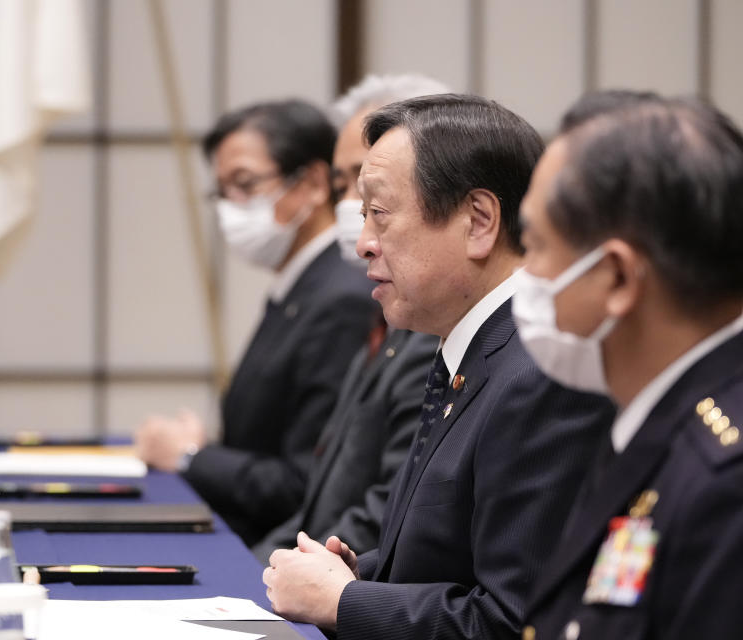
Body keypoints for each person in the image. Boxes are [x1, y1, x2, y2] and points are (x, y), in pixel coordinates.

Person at [262, 94, 615, 638]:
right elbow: (450, 558)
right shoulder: (473, 351)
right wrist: (361, 576)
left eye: (379, 214)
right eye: (363, 217)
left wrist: (347, 602)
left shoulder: (538, 373)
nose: (363, 244)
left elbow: (512, 620)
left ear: (478, 221)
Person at [518, 94, 743, 639]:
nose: (523, 275)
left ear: (616, 277)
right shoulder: (649, 415)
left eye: (533, 245)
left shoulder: (724, 483)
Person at [134, 99, 377, 546]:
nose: (231, 207)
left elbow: (305, 481)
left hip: (280, 547)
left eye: (244, 184)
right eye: (223, 191)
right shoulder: (301, 284)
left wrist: (193, 457)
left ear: (313, 183)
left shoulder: (341, 295)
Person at [252, 74, 449, 563]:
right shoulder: (393, 314)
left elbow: (389, 511)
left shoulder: (432, 326)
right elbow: (322, 498)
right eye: (345, 185)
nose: (354, 213)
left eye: (372, 189)